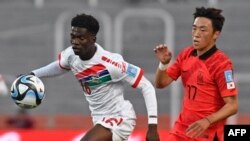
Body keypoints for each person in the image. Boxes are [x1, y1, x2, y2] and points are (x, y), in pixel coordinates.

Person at [28, 13, 159, 141]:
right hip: (98, 119)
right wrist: (34, 74)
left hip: (120, 118)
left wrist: (152, 127)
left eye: (81, 38)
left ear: (93, 39)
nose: (75, 42)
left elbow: (147, 86)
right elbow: (60, 66)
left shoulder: (111, 64)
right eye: (72, 37)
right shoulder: (71, 55)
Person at [154, 7, 238, 141]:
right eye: (194, 28)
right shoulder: (186, 54)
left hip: (207, 134)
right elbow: (160, 83)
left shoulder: (222, 64)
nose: (196, 34)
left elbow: (233, 106)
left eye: (203, 30)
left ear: (216, 34)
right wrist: (163, 65)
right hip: (181, 130)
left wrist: (207, 120)